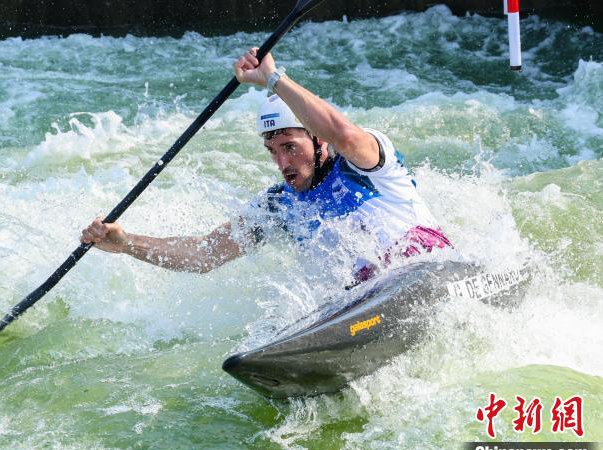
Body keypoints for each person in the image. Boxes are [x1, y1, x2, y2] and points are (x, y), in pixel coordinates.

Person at [80, 47, 451, 283]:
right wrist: (127, 243)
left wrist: (273, 80)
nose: (282, 162)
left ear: (319, 140)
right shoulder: (278, 206)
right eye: (273, 151)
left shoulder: (367, 163)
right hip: (365, 301)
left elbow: (344, 134)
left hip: (430, 269)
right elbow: (203, 255)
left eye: (290, 146)